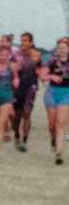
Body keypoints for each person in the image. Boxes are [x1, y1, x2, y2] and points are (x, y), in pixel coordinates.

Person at [11, 33, 43, 152]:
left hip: (31, 87)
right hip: (18, 88)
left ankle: (24, 141)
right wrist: (15, 70)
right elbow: (12, 69)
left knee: (27, 113)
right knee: (16, 116)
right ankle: (17, 135)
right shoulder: (16, 55)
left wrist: (41, 73)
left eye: (25, 41)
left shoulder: (36, 55)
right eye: (22, 40)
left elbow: (40, 69)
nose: (23, 43)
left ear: (31, 43)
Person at [41, 37, 69, 165]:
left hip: (66, 93)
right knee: (52, 125)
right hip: (52, 92)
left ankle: (59, 153)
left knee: (60, 123)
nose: (61, 50)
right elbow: (42, 76)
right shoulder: (52, 61)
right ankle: (53, 139)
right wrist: (51, 76)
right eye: (59, 48)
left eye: (64, 47)